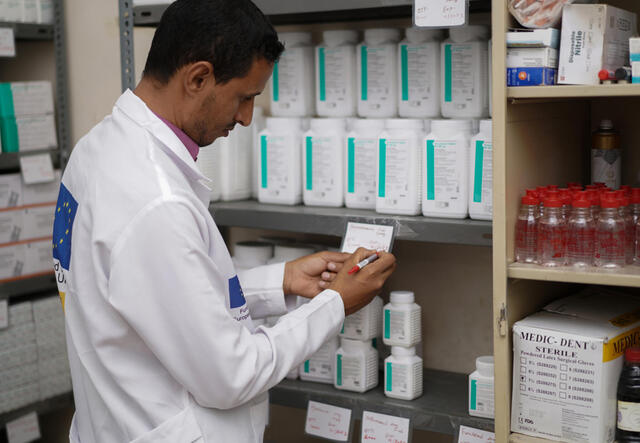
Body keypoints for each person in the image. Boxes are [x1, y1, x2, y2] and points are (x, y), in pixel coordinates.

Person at [52, 0, 397, 442]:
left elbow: (152, 294)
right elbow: (231, 376)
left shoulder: (99, 148)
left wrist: (282, 281)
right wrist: (333, 305)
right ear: (198, 77)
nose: (246, 117)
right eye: (244, 97)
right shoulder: (153, 202)